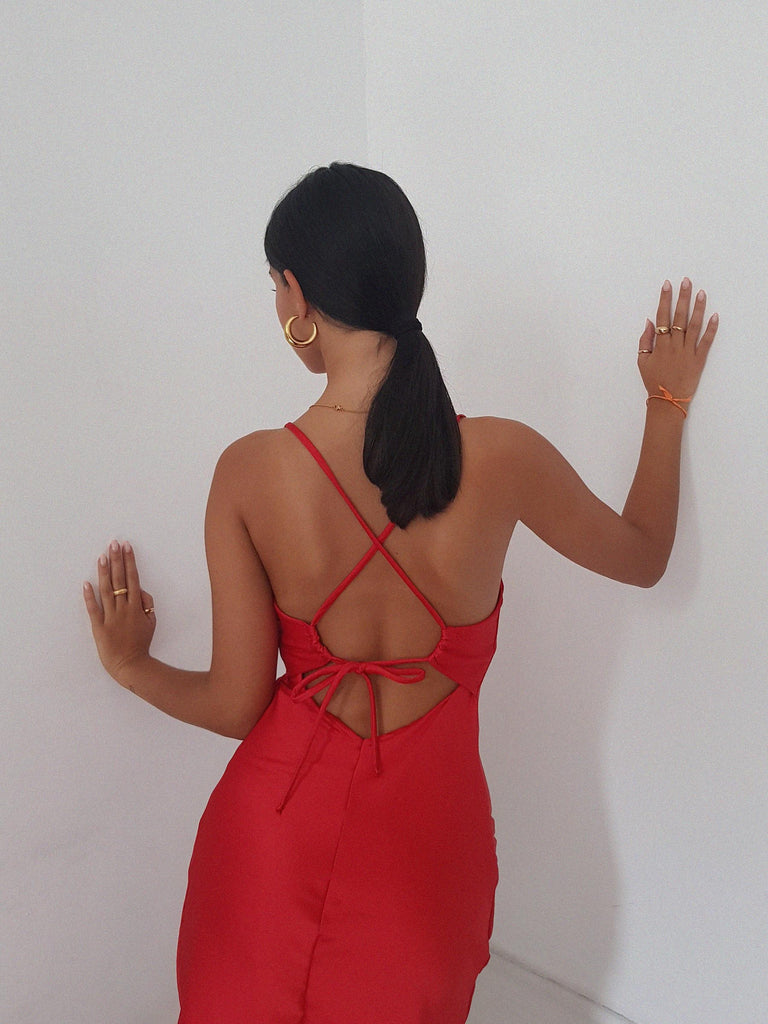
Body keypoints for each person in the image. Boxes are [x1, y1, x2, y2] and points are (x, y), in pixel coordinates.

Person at [83, 162, 718, 1024]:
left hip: (272, 835)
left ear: (296, 293)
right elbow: (644, 555)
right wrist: (667, 403)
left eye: (274, 288)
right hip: (428, 849)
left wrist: (132, 667)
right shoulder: (503, 456)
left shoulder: (250, 472)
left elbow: (237, 706)